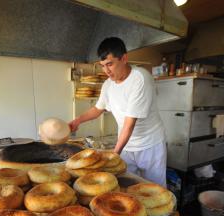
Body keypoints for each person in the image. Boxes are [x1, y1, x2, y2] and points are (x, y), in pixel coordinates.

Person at [69, 37, 167, 187]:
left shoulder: (140, 79)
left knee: (154, 188)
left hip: (149, 145)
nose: (106, 71)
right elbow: (97, 109)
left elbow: (129, 124)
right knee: (127, 186)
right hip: (127, 145)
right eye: (102, 66)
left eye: (110, 64)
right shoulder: (108, 85)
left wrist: (114, 154)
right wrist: (77, 121)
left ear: (124, 58)